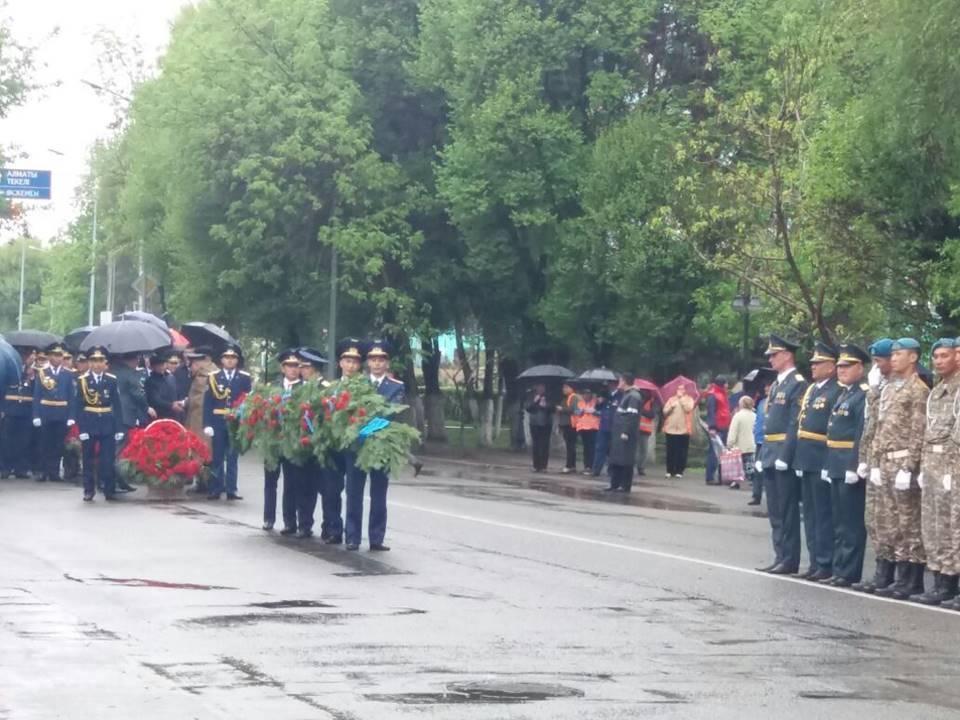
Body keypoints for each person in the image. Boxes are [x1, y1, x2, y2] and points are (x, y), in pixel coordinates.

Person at [871, 338, 929, 601]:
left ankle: (912, 579)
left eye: (899, 354)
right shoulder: (890, 389)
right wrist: (874, 462)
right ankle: (893, 574)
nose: (893, 359)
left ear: (913, 357)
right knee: (888, 522)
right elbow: (879, 427)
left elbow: (919, 430)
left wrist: (910, 466)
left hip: (903, 460)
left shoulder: (918, 389)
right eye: (891, 355)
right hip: (885, 460)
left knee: (909, 523)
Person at [910, 339, 960, 604]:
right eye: (936, 357)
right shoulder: (937, 390)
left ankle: (953, 582)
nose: (939, 361)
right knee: (935, 525)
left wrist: (951, 470)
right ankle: (942, 582)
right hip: (934, 467)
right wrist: (923, 465)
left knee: (955, 527)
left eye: (945, 356)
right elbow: (928, 433)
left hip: (953, 468)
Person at [345, 338, 404, 552]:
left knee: (379, 493)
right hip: (357, 445)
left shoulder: (396, 386)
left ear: (387, 363)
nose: (377, 363)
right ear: (367, 362)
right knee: (354, 492)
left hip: (382, 445)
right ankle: (352, 536)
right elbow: (348, 411)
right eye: (373, 359)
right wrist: (357, 431)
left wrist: (368, 429)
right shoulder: (355, 384)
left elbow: (390, 413)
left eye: (381, 359)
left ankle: (376, 538)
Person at [755, 335, 807, 575]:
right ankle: (780, 555)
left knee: (787, 510)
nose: (771, 359)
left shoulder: (797, 383)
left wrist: (785, 455)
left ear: (787, 355)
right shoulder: (777, 384)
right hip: (769, 451)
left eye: (774, 354)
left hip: (782, 453)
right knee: (775, 510)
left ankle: (789, 558)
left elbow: (793, 423)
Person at [822, 343, 871, 587]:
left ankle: (849, 571)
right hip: (836, 463)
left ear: (860, 367)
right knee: (839, 521)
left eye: (847, 366)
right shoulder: (845, 393)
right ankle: (840, 568)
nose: (841, 370)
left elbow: (861, 433)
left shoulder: (863, 394)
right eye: (839, 366)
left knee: (851, 523)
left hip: (848, 465)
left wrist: (855, 465)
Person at [793, 342, 843, 581]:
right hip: (806, 457)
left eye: (818, 363)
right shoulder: (813, 389)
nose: (813, 366)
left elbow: (832, 430)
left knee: (824, 515)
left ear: (832, 366)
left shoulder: (836, 390)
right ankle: (814, 561)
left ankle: (825, 562)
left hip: (822, 456)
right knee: (810, 514)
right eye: (812, 362)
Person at [852, 338, 896, 593]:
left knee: (899, 523)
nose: (877, 368)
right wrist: (865, 460)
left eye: (880, 362)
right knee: (877, 521)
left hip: (896, 462)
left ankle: (903, 577)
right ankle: (883, 572)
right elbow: (871, 427)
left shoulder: (911, 388)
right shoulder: (881, 388)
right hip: (877, 460)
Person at [323, 338, 365, 543]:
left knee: (354, 492)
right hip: (333, 446)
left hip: (355, 446)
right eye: (347, 361)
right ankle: (334, 529)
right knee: (331, 490)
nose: (351, 365)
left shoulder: (365, 389)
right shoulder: (331, 388)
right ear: (340, 363)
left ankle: (353, 535)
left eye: (355, 362)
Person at [262, 349, 305, 534]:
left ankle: (290, 522)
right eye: (289, 365)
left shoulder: (304, 388)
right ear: (282, 367)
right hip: (273, 440)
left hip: (292, 441)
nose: (293, 369)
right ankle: (268, 518)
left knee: (291, 483)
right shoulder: (272, 387)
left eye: (297, 366)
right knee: (270, 482)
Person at [72, 346, 122, 501]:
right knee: (88, 459)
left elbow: (117, 405)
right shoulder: (82, 381)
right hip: (89, 421)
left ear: (105, 362)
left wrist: (119, 427)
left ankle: (108, 488)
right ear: (89, 362)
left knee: (107, 459)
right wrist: (82, 428)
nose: (97, 364)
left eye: (100, 360)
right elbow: (78, 406)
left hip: (107, 422)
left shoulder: (111, 380)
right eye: (93, 360)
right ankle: (88, 489)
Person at [203, 345, 252, 501]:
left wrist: (246, 422)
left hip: (235, 421)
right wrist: (207, 424)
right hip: (217, 420)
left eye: (233, 358)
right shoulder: (213, 377)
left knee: (232, 456)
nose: (230, 361)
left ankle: (232, 489)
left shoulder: (244, 377)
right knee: (217, 456)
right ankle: (215, 488)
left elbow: (248, 401)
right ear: (222, 360)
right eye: (227, 358)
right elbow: (208, 402)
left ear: (237, 361)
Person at [294, 346, 330, 539]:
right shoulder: (299, 388)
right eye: (301, 366)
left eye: (306, 366)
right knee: (303, 487)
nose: (302, 370)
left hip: (321, 446)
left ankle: (328, 526)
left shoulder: (326, 388)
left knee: (325, 488)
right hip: (303, 444)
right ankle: (304, 524)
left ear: (315, 368)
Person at [31, 342, 76, 482]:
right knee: (44, 443)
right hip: (46, 411)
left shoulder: (68, 374)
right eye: (55, 355)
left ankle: (54, 471)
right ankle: (43, 471)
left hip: (61, 412)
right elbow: (37, 395)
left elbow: (71, 397)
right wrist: (36, 415)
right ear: (49, 356)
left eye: (60, 355)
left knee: (58, 444)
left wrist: (71, 416)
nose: (58, 358)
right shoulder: (42, 373)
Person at [113, 352, 152, 493]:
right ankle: (115, 481)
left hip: (112, 414)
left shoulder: (112, 371)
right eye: (137, 359)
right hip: (125, 414)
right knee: (118, 451)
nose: (138, 362)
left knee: (112, 449)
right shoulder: (130, 374)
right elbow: (137, 394)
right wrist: (147, 407)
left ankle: (114, 481)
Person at [2, 347, 36, 479]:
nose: (30, 358)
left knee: (24, 441)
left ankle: (21, 468)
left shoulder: (35, 373)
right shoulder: (12, 368)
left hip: (26, 410)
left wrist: (31, 377)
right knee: (6, 441)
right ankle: (5, 467)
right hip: (10, 409)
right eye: (28, 355)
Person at [606, 373, 643, 493]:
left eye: (620, 381)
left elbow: (632, 416)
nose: (618, 383)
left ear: (625, 382)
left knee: (625, 459)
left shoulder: (634, 396)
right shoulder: (625, 395)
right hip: (618, 432)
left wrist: (626, 431)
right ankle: (614, 484)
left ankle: (625, 485)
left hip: (626, 433)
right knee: (616, 458)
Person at [662, 384, 694, 478]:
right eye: (679, 388)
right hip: (670, 429)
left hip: (683, 430)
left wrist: (682, 400)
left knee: (682, 451)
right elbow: (664, 411)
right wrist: (671, 406)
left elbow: (689, 409)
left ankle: (679, 471)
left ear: (685, 390)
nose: (680, 390)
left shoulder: (689, 399)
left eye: (682, 389)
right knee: (670, 451)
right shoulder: (671, 399)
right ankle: (669, 470)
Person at [725, 396, 757, 490]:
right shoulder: (755, 415)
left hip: (740, 445)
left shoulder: (738, 416)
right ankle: (752, 482)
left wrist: (729, 443)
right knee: (750, 465)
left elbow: (733, 431)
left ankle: (736, 482)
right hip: (752, 445)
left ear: (741, 404)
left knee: (737, 466)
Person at [704, 376, 731, 485]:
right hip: (717, 427)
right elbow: (711, 412)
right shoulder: (713, 395)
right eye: (726, 383)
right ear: (722, 384)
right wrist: (712, 427)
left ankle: (721, 476)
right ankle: (710, 477)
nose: (728, 385)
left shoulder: (721, 394)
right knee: (714, 453)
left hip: (723, 425)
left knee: (721, 453)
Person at [748, 382, 770, 506]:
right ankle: (756, 495)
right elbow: (758, 419)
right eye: (766, 385)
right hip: (760, 440)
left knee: (768, 471)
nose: (766, 387)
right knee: (758, 469)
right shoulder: (762, 402)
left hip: (771, 440)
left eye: (769, 385)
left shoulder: (775, 402)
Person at [145, 351, 183, 421]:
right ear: (153, 367)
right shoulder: (150, 381)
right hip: (159, 415)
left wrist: (180, 403)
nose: (161, 367)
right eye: (158, 365)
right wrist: (171, 405)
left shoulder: (171, 377)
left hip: (175, 414)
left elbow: (178, 392)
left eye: (163, 364)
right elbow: (155, 399)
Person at [526, 383, 553, 472]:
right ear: (536, 388)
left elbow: (553, 408)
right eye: (539, 387)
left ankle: (543, 466)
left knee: (545, 445)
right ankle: (536, 465)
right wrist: (535, 401)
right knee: (536, 445)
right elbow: (528, 408)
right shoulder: (532, 395)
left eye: (542, 387)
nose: (541, 389)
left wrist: (545, 405)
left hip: (546, 423)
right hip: (534, 423)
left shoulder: (549, 396)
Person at [573, 387, 600, 475]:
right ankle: (586, 466)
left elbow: (599, 413)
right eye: (584, 394)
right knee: (586, 448)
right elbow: (576, 413)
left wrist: (594, 411)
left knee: (592, 448)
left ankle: (591, 466)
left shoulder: (595, 402)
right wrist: (581, 411)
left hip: (593, 427)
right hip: (583, 428)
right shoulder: (580, 403)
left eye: (588, 394)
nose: (586, 396)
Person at [592, 384, 617, 477]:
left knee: (612, 451)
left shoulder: (618, 396)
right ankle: (596, 469)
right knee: (600, 449)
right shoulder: (604, 396)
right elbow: (597, 408)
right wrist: (599, 402)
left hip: (614, 427)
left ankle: (611, 470)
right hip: (603, 427)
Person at [556, 383, 578, 473]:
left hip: (571, 424)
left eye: (566, 387)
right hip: (565, 423)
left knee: (570, 445)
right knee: (569, 445)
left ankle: (570, 465)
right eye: (563, 387)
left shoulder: (574, 397)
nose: (563, 389)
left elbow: (573, 409)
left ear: (571, 388)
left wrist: (562, 409)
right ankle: (571, 465)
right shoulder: (565, 398)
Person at [635, 389, 657, 477]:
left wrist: (642, 411)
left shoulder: (652, 403)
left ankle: (640, 467)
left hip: (645, 430)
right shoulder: (638, 401)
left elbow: (652, 415)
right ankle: (636, 465)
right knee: (636, 449)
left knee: (643, 450)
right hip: (636, 428)